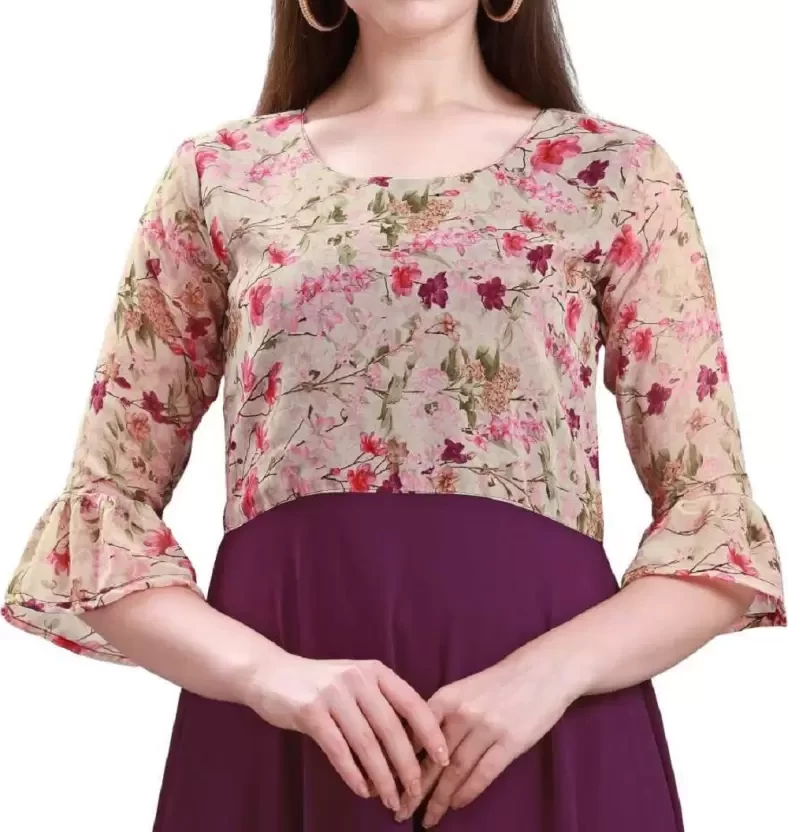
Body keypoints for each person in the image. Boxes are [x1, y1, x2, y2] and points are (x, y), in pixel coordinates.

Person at [2, 0, 784, 829]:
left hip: (542, 719)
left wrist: (551, 674)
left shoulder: (613, 174)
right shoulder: (222, 174)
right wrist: (266, 676)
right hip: (282, 714)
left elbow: (715, 530)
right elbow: (103, 516)